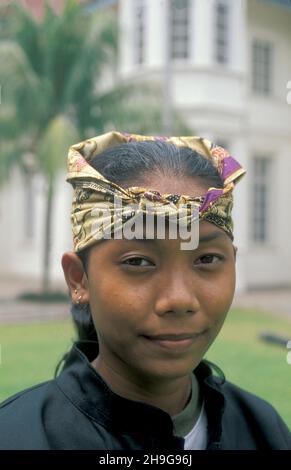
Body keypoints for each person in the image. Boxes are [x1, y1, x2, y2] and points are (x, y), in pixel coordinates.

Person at [0, 131, 290, 450]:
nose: (179, 299)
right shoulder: (19, 437)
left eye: (206, 258)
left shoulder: (264, 432)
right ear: (79, 279)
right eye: (138, 262)